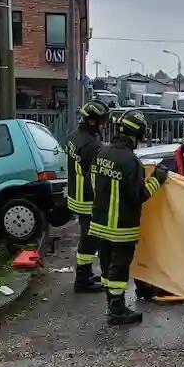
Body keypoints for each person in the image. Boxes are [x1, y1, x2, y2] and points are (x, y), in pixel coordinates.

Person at [89, 109, 168, 325]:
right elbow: (139, 195)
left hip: (100, 222)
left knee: (106, 265)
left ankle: (111, 304)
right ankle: (117, 311)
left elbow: (93, 185)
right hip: (122, 225)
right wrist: (158, 179)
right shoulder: (131, 162)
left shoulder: (102, 154)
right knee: (120, 266)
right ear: (136, 135)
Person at [65, 99, 111, 293]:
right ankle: (82, 280)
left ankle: (85, 274)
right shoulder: (91, 146)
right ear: (92, 121)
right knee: (89, 239)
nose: (104, 125)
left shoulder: (73, 137)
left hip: (76, 194)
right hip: (87, 200)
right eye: (102, 121)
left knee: (86, 237)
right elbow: (95, 176)